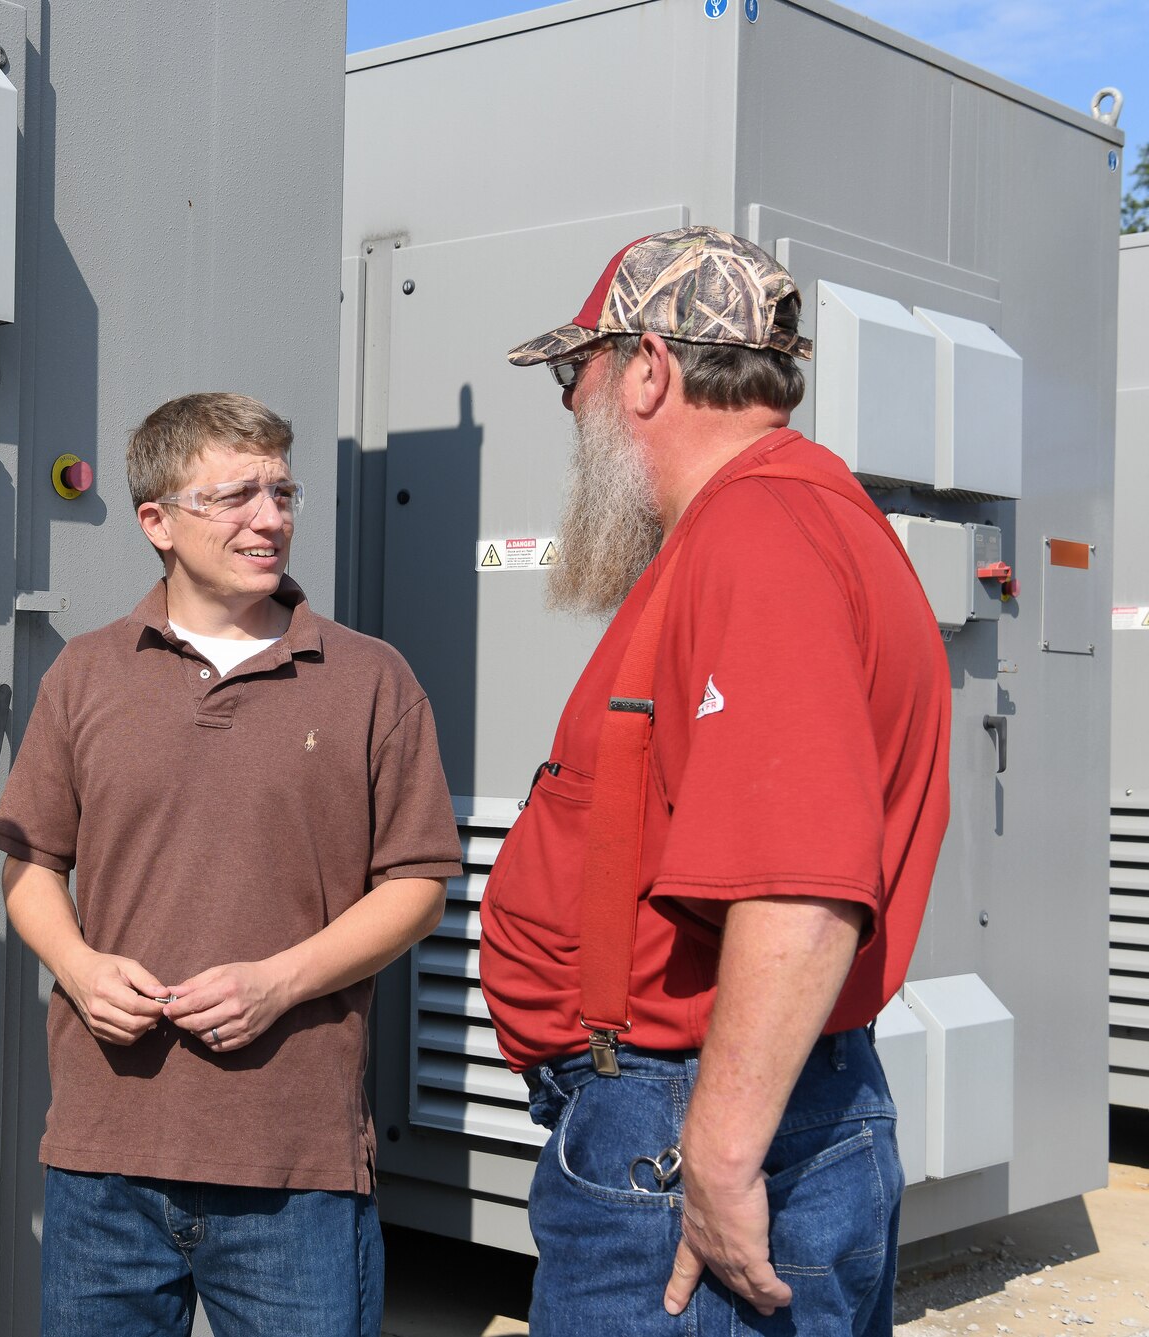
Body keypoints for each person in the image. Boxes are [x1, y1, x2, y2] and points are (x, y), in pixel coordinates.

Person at [479, 226, 951, 1334]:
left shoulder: (756, 528)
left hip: (683, 1126)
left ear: (646, 367)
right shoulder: (787, 514)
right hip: (703, 1108)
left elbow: (797, 877)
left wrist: (723, 1154)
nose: (569, 407)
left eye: (573, 374)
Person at [0, 393, 462, 1336]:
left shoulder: (371, 678)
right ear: (156, 522)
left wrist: (276, 984)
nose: (271, 517)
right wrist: (78, 970)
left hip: (294, 1164)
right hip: (103, 1158)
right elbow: (31, 866)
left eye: (282, 491)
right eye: (236, 495)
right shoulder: (85, 673)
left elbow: (415, 889)